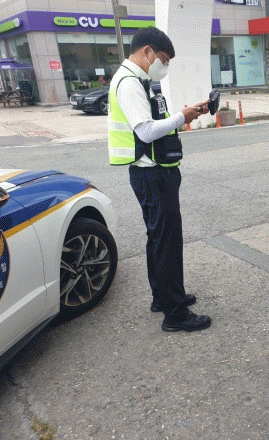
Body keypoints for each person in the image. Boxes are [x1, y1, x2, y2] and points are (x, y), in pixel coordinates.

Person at [107, 27, 211, 332]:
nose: (164, 66)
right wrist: (182, 117)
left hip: (151, 172)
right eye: (163, 59)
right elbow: (146, 131)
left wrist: (184, 114)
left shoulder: (138, 80)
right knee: (166, 242)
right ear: (147, 52)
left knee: (158, 239)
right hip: (151, 174)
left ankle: (163, 297)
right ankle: (175, 314)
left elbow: (152, 123)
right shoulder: (129, 83)